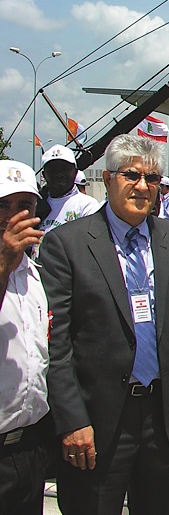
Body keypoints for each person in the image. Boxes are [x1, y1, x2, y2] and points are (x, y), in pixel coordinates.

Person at [40, 134, 169, 515]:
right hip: (96, 421)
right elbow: (56, 343)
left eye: (152, 178)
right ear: (108, 178)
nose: (142, 186)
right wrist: (71, 420)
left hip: (163, 417)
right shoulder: (66, 245)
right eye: (131, 175)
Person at [0, 161, 50, 514]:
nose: (14, 216)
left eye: (24, 206)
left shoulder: (37, 274)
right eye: (3, 205)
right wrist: (5, 259)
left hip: (30, 446)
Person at [35, 144, 100, 239]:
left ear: (75, 172)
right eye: (53, 170)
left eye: (64, 169)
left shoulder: (87, 206)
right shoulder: (36, 206)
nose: (59, 174)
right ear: (44, 175)